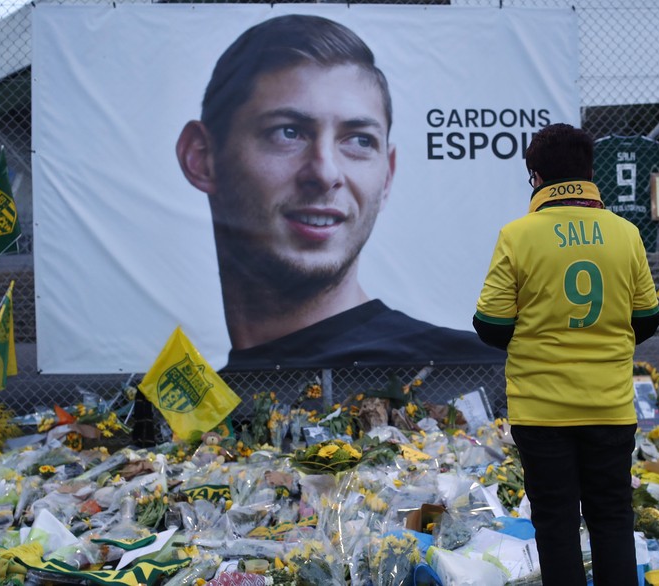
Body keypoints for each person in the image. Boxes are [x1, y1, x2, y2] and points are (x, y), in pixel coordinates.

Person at [177, 14, 504, 371]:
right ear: (202, 158)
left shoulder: (473, 376)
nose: (326, 172)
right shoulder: (185, 411)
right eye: (287, 133)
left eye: (359, 140)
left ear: (387, 176)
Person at [472, 123, 659, 585]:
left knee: (555, 524)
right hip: (608, 406)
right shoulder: (625, 233)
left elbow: (491, 324)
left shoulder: (518, 235)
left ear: (535, 176)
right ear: (589, 171)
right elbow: (648, 320)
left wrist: (538, 333)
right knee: (612, 519)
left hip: (542, 410)